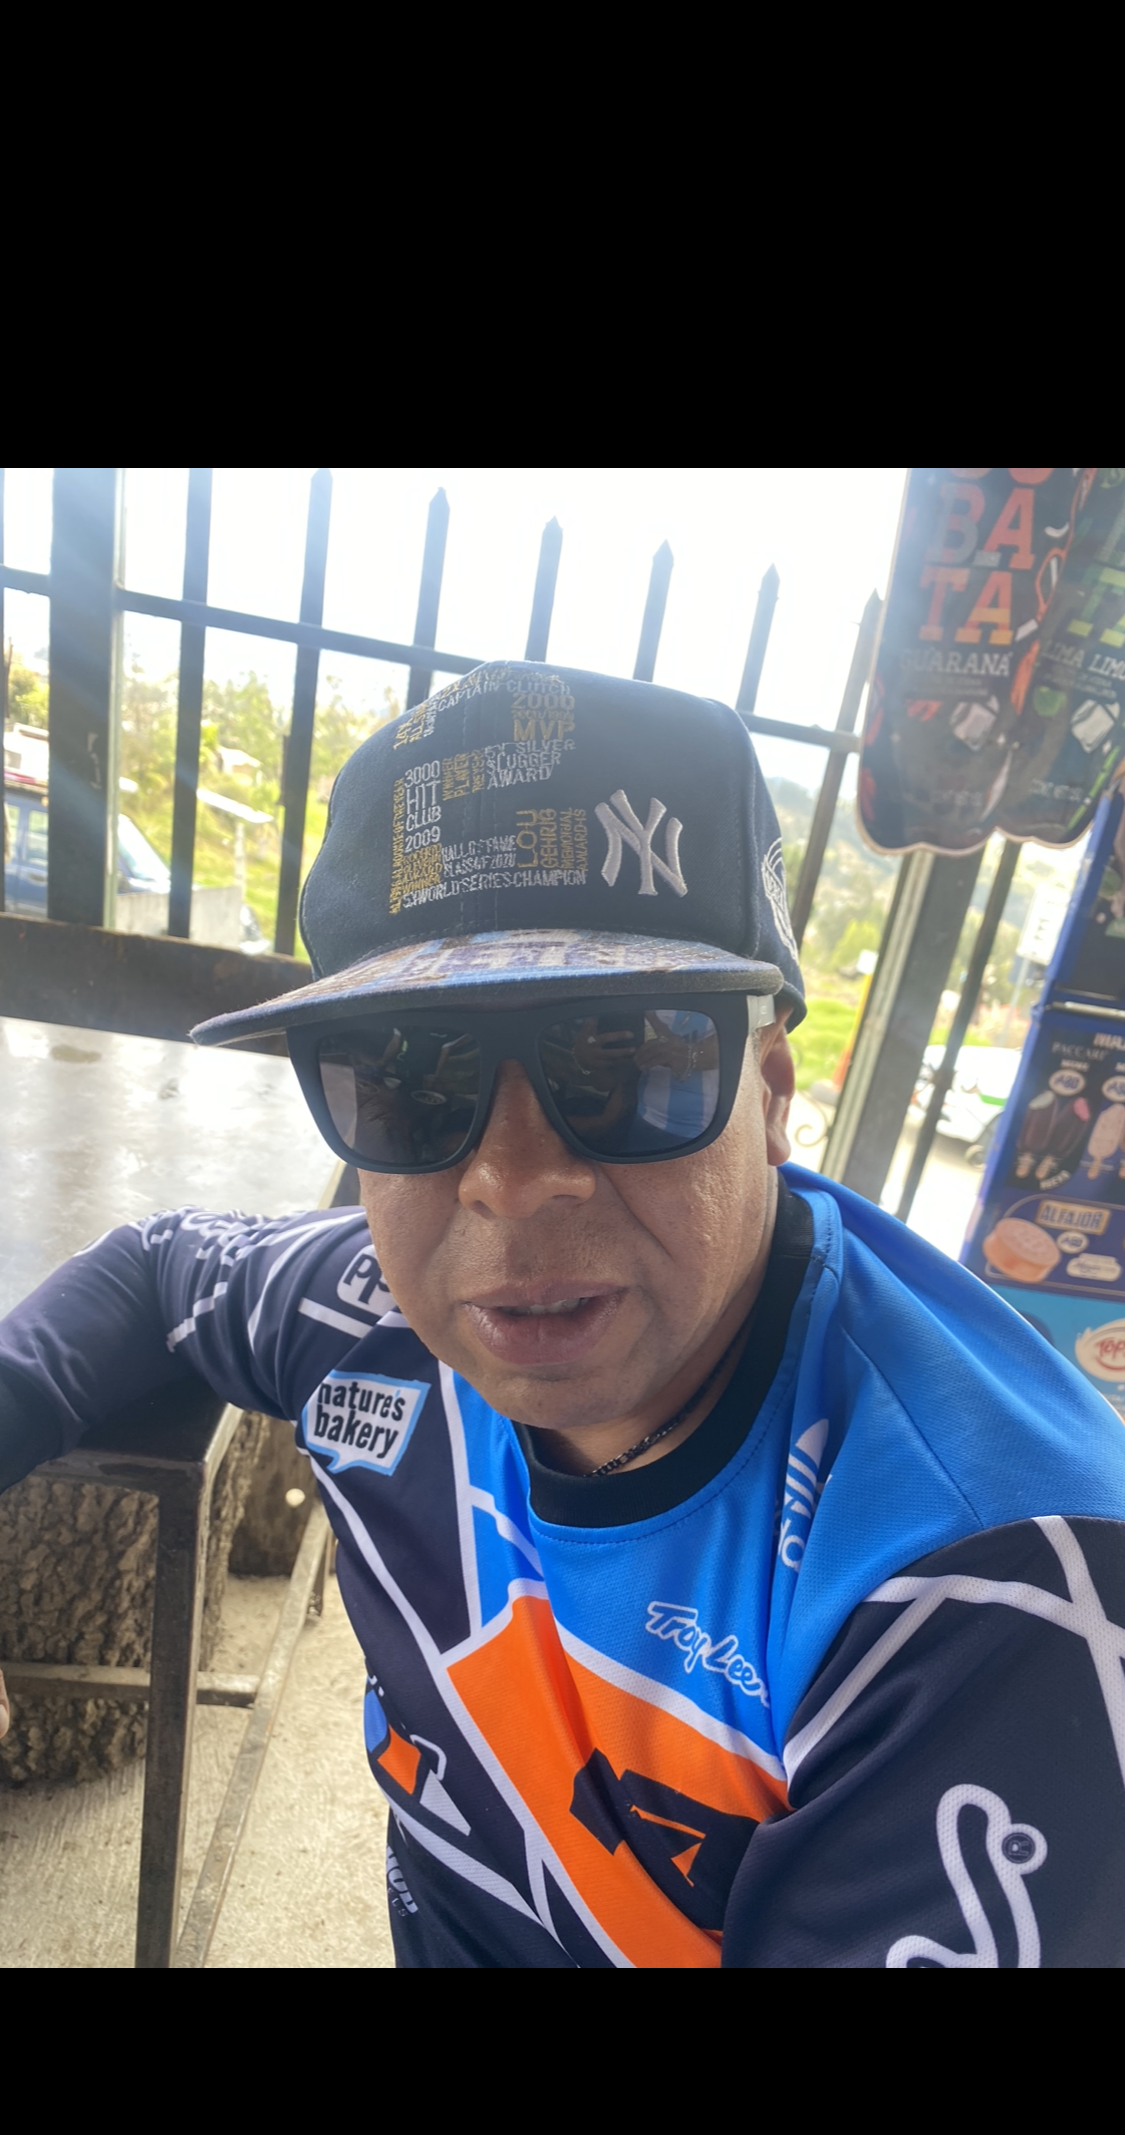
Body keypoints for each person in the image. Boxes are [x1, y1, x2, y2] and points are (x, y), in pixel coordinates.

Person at [2, 659, 1125, 1968]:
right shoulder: (372, 1312)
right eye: (408, 1082)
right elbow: (160, 1269)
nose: (511, 1179)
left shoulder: (988, 1599)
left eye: (625, 1061)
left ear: (770, 1094)